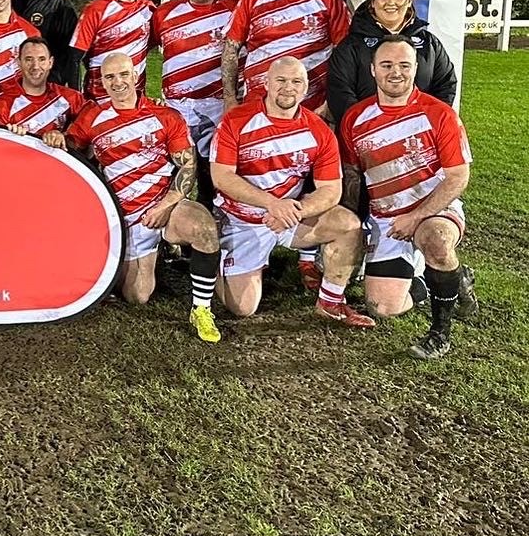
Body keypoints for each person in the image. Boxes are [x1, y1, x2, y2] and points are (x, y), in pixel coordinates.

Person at [63, 54, 222, 342]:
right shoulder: (92, 116)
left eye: (123, 74)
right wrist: (53, 137)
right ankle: (154, 254)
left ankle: (201, 309)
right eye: (109, 77)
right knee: (137, 297)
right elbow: (68, 153)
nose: (118, 82)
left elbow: (188, 165)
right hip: (120, 213)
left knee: (204, 227)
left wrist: (166, 205)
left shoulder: (165, 116)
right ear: (101, 81)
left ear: (136, 75)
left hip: (162, 206)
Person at [209, 56, 371, 328]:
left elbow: (331, 190)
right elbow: (222, 177)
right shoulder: (235, 121)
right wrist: (272, 203)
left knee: (347, 224)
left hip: (288, 217)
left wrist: (297, 211)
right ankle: (215, 259)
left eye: (296, 82)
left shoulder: (318, 130)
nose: (288, 88)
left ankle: (330, 302)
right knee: (243, 308)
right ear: (266, 83)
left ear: (306, 88)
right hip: (242, 220)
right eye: (281, 81)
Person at [340, 38, 476, 359]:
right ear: (373, 70)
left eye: (404, 65)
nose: (395, 73)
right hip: (386, 219)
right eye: (386, 65)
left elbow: (458, 177)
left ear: (416, 68)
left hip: (434, 212)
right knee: (381, 307)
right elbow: (354, 178)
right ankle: (451, 279)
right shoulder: (354, 119)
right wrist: (351, 228)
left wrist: (415, 218)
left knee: (436, 241)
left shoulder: (440, 115)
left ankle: (439, 334)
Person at [220, 0, 351, 119]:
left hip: (311, 107)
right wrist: (230, 99)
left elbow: (344, 53)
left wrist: (330, 102)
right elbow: (231, 49)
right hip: (257, 106)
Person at [327, 0, 457, 129]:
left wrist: (430, 123)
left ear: (409, 1)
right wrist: (365, 129)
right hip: (367, 135)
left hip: (421, 134)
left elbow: (446, 84)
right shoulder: (351, 45)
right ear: (372, 2)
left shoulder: (429, 43)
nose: (391, 3)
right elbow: (339, 91)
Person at [152, 0, 235, 159]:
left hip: (216, 107)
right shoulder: (163, 13)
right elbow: (141, 53)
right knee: (174, 170)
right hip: (174, 107)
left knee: (211, 173)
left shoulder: (234, 12)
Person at [70, 0, 155, 101]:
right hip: (99, 102)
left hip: (135, 103)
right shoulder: (95, 10)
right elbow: (74, 59)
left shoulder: (149, 10)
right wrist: (77, 101)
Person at [0, 37, 87, 148]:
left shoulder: (71, 97)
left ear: (50, 63)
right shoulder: (3, 104)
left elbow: (92, 128)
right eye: (29, 59)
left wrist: (65, 136)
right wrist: (13, 138)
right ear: (18, 63)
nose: (36, 66)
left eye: (42, 59)